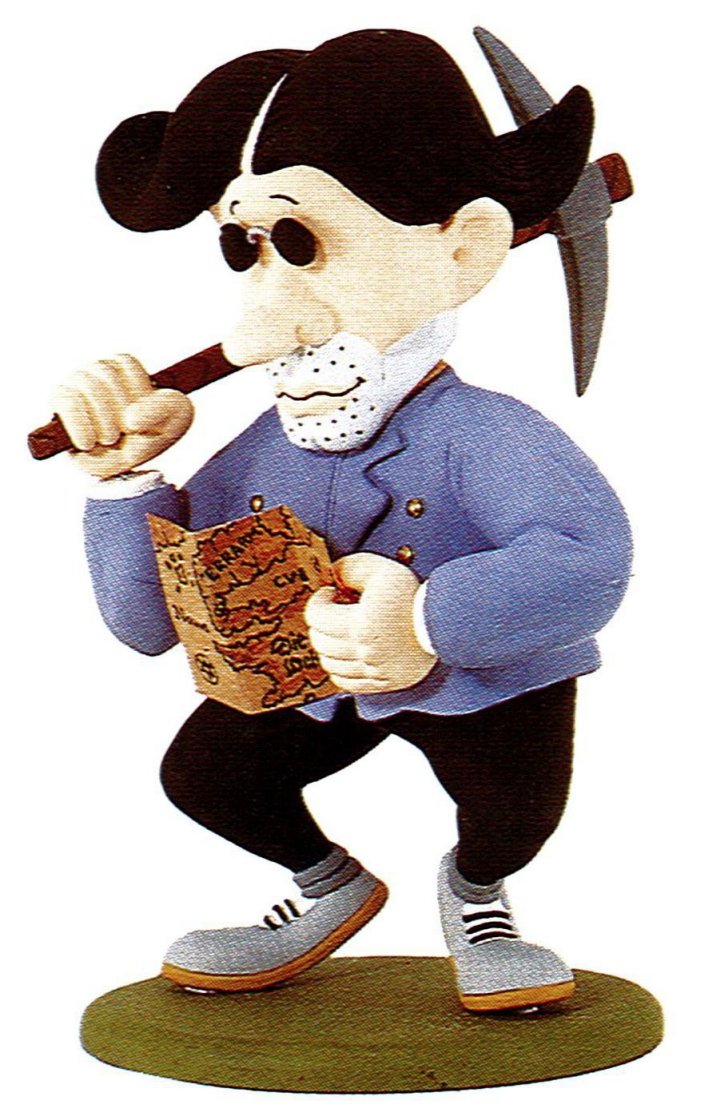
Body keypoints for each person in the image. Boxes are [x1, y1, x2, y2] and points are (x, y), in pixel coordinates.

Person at [53, 29, 631, 1011]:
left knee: (515, 810)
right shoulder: (260, 452)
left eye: (304, 243)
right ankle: (329, 888)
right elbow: (149, 624)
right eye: (243, 247)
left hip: (483, 683)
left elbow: (590, 559)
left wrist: (426, 622)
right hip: (310, 682)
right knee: (205, 774)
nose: (256, 329)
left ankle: (478, 895)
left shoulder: (487, 436)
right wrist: (125, 481)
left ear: (464, 249)